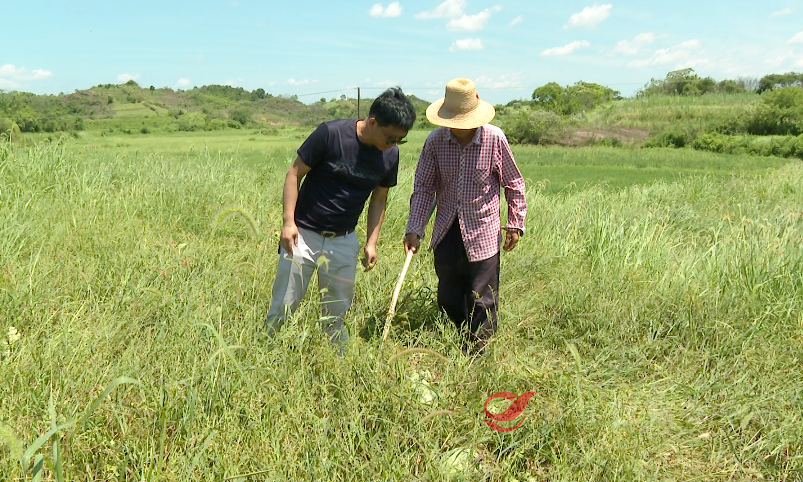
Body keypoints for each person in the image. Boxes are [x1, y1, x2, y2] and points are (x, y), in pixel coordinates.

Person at [266, 87, 416, 351]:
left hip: (344, 241)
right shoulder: (331, 134)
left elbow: (379, 198)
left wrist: (372, 242)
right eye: (390, 138)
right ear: (372, 122)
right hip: (303, 236)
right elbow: (294, 174)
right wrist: (288, 222)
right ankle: (266, 353)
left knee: (336, 313)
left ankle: (338, 364)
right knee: (283, 306)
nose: (393, 144)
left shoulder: (390, 155)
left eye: (399, 140)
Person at [403, 78, 527, 354]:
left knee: (482, 298)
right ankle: (461, 337)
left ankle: (478, 355)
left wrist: (514, 224)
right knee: (448, 296)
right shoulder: (435, 142)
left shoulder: (494, 138)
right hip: (447, 229)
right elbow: (423, 188)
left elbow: (513, 182)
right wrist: (415, 228)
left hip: (482, 229)